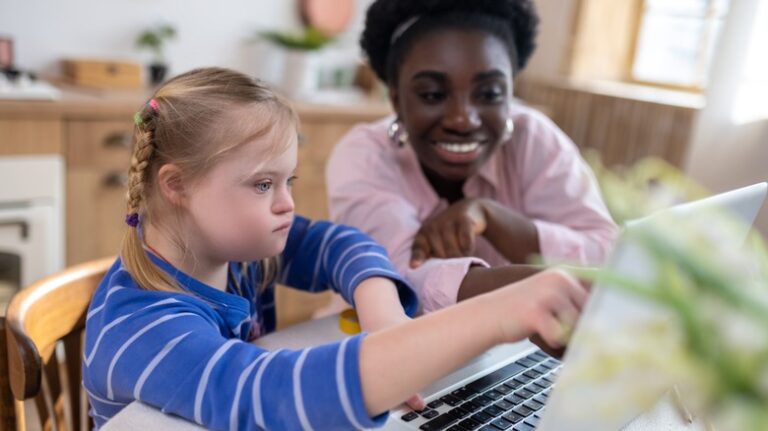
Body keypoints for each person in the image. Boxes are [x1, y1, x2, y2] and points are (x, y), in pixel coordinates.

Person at [83, 67, 588, 430]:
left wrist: (383, 314)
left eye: (289, 180)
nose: (288, 203)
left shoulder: (230, 249)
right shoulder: (143, 329)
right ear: (178, 187)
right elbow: (268, 395)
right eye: (263, 184)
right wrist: (496, 315)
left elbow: (337, 243)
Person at [326, 0, 618, 313]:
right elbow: (401, 280)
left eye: (489, 94)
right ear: (397, 100)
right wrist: (555, 289)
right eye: (433, 95)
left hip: (517, 349)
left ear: (510, 94)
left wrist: (495, 219)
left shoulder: (533, 138)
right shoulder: (363, 157)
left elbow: (608, 253)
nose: (463, 120)